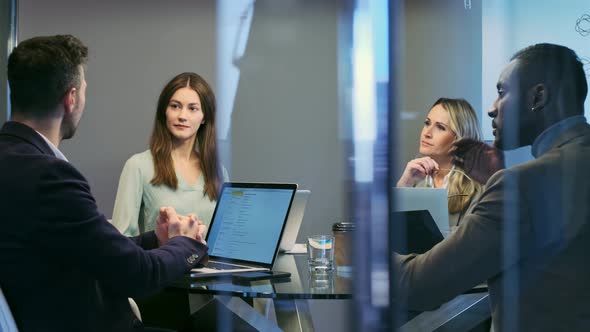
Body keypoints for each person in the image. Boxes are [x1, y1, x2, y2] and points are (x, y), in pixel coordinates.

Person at [0, 35, 208, 332]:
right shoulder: (50, 176)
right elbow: (138, 275)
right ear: (71, 99)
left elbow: (94, 248)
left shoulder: (14, 162)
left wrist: (154, 240)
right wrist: (184, 243)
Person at [394, 43, 590, 331]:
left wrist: (364, 251)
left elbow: (419, 286)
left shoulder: (520, 186)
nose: (491, 109)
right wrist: (496, 178)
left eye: (502, 92)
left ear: (538, 96)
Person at [111, 72, 228, 236]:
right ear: (164, 112)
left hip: (209, 262)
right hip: (161, 261)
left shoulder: (217, 170)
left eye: (192, 108)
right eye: (175, 106)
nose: (182, 116)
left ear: (204, 117)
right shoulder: (138, 166)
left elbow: (226, 236)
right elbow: (121, 241)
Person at [397, 98, 494, 228]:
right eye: (427, 123)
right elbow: (393, 234)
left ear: (460, 139)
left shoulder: (480, 189)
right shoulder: (415, 182)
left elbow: (470, 242)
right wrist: (403, 185)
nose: (427, 133)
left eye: (440, 127)